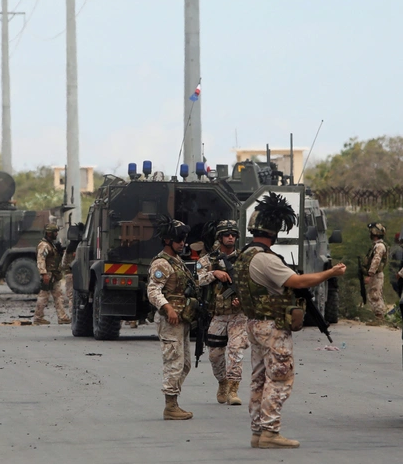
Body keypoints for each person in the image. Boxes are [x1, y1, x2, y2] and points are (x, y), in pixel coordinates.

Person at [234, 192, 346, 449]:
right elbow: (295, 282)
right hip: (272, 326)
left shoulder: (245, 255)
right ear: (274, 230)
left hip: (255, 324)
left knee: (260, 379)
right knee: (280, 377)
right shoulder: (265, 259)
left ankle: (258, 431)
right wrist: (330, 272)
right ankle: (270, 433)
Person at [146, 217, 197, 420]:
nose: (182, 243)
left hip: (181, 319)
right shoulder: (162, 263)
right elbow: (153, 290)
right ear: (168, 240)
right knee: (174, 361)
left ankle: (173, 399)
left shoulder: (177, 262)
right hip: (170, 320)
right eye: (178, 239)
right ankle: (170, 405)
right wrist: (168, 308)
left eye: (183, 239)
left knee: (184, 364)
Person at [196, 219, 247, 406]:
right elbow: (198, 280)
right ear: (220, 237)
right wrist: (214, 274)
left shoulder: (244, 260)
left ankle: (234, 389)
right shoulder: (208, 260)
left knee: (235, 350)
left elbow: (254, 284)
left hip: (238, 315)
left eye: (233, 234)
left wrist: (242, 298)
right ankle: (222, 382)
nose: (231, 237)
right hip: (217, 314)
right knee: (215, 354)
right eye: (227, 234)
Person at [33, 224, 70, 326]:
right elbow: (41, 260)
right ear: (49, 233)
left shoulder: (51, 244)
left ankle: (62, 317)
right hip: (48, 274)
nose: (56, 234)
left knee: (59, 296)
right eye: (55, 232)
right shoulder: (44, 245)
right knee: (43, 296)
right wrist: (44, 274)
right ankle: (38, 317)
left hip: (54, 274)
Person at [364, 222, 388, 317]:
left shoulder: (379, 246)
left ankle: (379, 317)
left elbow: (376, 261)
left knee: (375, 296)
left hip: (376, 275)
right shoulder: (376, 245)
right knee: (373, 294)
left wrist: (370, 274)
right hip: (375, 274)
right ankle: (378, 316)